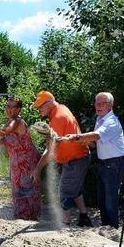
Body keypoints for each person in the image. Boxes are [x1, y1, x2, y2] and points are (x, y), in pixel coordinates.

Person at [58, 92, 124, 228]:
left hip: (114, 164)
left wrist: (77, 137)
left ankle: (113, 228)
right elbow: (96, 142)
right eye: (96, 103)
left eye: (102, 103)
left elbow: (95, 136)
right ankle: (107, 227)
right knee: (102, 199)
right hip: (105, 164)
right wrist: (84, 142)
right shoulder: (100, 119)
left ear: (110, 106)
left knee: (110, 199)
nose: (98, 106)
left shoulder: (111, 122)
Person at [33, 91, 92, 227]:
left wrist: (37, 169)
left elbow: (51, 150)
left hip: (75, 159)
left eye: (40, 106)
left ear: (49, 103)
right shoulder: (60, 109)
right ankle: (84, 217)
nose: (38, 109)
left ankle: (65, 223)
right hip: (77, 157)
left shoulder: (57, 117)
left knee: (64, 191)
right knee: (75, 189)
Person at [0, 96, 41, 220]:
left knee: (27, 191)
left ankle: (30, 218)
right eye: (7, 106)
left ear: (18, 109)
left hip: (27, 164)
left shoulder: (17, 121)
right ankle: (23, 217)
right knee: (19, 191)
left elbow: (4, 130)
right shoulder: (10, 123)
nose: (9, 109)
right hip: (16, 165)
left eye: (12, 106)